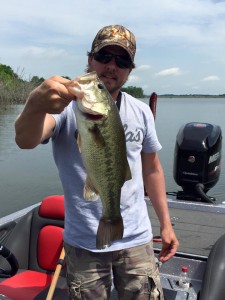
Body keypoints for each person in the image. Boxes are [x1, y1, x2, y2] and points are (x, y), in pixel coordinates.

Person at [15, 25, 179, 300]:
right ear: (90, 59)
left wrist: (166, 223)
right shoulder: (66, 107)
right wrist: (35, 104)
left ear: (130, 69)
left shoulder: (140, 111)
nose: (111, 66)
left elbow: (152, 169)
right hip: (83, 243)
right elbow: (25, 140)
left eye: (122, 61)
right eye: (104, 57)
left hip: (137, 238)